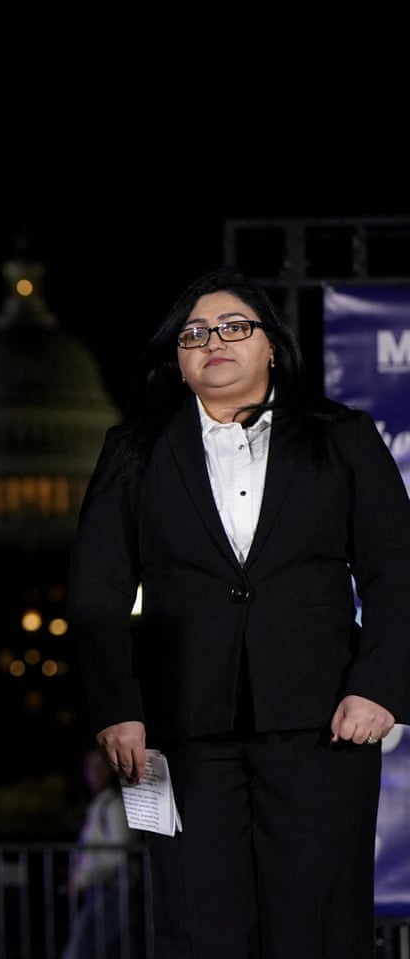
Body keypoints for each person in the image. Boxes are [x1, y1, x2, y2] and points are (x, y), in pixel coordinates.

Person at [65, 266, 410, 957]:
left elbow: (397, 569)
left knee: (318, 929)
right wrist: (117, 706)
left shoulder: (342, 436)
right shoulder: (133, 449)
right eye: (195, 333)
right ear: (180, 361)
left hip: (325, 730)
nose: (213, 340)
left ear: (271, 345)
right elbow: (95, 594)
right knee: (195, 929)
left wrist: (379, 686)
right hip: (176, 737)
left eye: (233, 326)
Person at [62, 748, 144, 959]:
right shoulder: (102, 804)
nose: (95, 773)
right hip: (104, 893)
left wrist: (83, 878)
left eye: (101, 767)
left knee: (80, 950)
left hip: (114, 892)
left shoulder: (114, 805)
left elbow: (121, 853)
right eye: (91, 768)